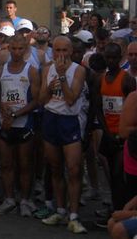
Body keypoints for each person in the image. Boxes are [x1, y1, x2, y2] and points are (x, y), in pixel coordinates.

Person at [39, 36, 88, 233]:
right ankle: (60, 209)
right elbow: (41, 100)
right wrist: (50, 87)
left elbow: (70, 98)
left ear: (70, 51)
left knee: (74, 169)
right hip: (51, 118)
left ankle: (74, 215)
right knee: (55, 168)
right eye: (56, 50)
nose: (60, 55)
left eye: (64, 51)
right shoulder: (46, 69)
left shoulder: (78, 70)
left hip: (69, 120)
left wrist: (60, 76)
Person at [0, 34, 40, 216]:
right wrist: (2, 107)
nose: (17, 52)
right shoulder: (0, 70)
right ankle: (9, 198)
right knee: (6, 164)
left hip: (24, 124)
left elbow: (36, 101)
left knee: (25, 165)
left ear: (26, 50)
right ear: (8, 49)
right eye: (14, 48)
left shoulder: (32, 70)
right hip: (5, 125)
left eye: (21, 49)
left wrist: (16, 113)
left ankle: (25, 199)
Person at [95, 43, 136, 216]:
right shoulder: (101, 79)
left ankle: (121, 210)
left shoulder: (126, 79)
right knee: (111, 173)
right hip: (108, 133)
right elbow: (98, 107)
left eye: (113, 58)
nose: (110, 61)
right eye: (107, 57)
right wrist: (106, 131)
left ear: (120, 59)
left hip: (123, 136)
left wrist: (121, 133)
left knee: (120, 175)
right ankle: (114, 206)